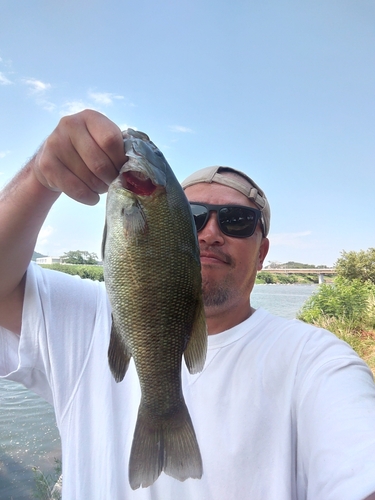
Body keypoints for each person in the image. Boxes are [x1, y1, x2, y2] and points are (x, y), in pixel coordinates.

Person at [0, 110, 375, 500]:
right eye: (194, 217)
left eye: (237, 220)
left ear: (262, 253)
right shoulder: (88, 317)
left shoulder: (316, 360)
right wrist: (39, 180)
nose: (212, 233)